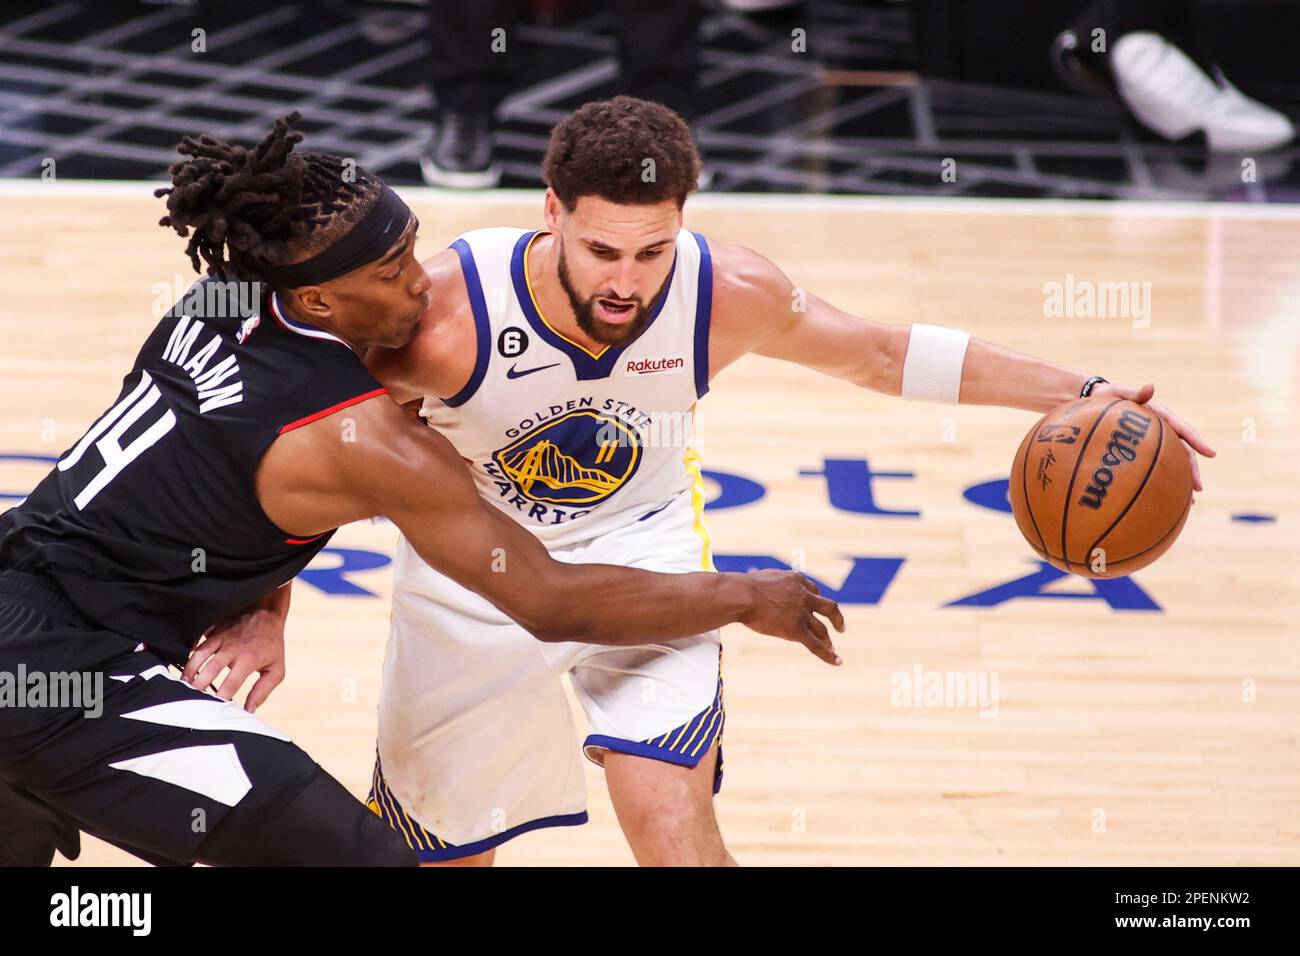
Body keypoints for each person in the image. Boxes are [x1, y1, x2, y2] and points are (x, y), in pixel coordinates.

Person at [355, 95, 1217, 867]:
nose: (625, 283)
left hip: (647, 555)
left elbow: (881, 354)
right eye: (601, 251)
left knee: (673, 836)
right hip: (478, 574)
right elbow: (300, 451)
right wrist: (262, 609)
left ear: (684, 223)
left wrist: (1089, 393)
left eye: (653, 250)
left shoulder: (726, 291)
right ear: (552, 214)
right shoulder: (442, 321)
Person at [0, 112, 843, 868]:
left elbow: (228, 486)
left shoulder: (217, 300)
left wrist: (264, 601)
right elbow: (548, 601)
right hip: (67, 666)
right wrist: (741, 594)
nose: (422, 284)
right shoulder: (363, 438)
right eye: (394, 270)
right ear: (321, 297)